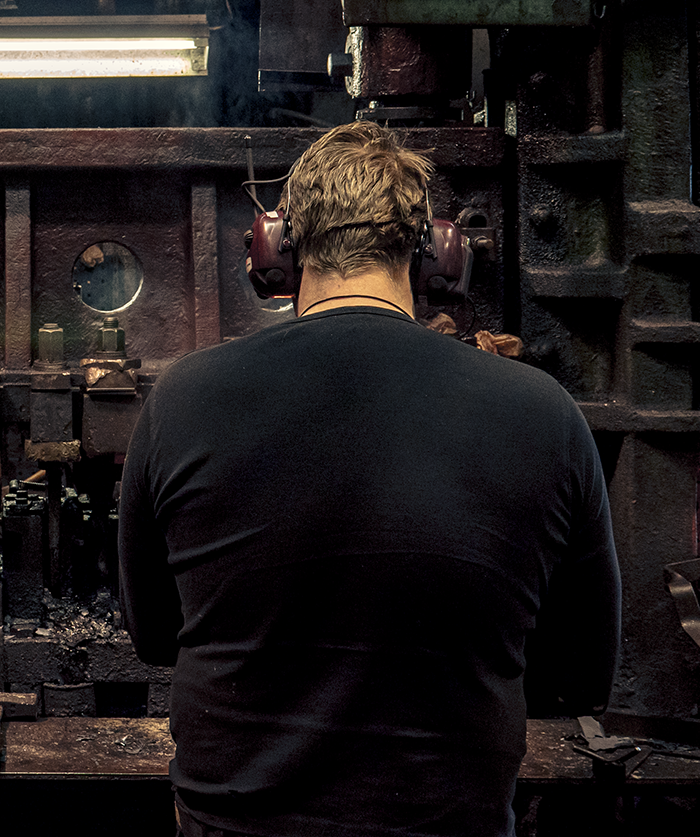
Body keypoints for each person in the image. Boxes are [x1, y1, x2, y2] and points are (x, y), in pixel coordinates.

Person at [117, 122, 621, 837]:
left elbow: (153, 635)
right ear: (429, 252)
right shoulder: (544, 412)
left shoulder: (182, 398)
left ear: (281, 249)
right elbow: (582, 674)